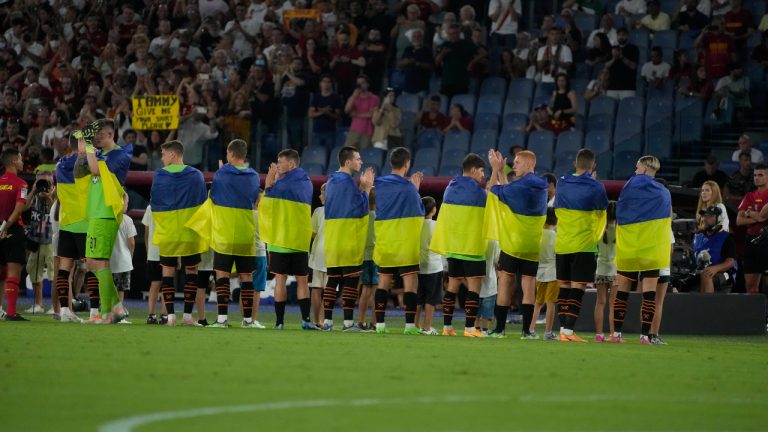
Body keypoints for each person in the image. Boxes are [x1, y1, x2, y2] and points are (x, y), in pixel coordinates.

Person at [485, 149, 548, 337]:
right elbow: (509, 196)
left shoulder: (518, 186)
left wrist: (496, 170)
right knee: (529, 286)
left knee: (505, 283)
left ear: (529, 164)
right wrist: (503, 172)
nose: (514, 165)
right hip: (532, 245)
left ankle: (499, 329)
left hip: (512, 244)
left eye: (518, 162)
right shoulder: (541, 185)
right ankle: (528, 332)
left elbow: (493, 190)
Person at [611, 156, 672, 344]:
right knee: (649, 294)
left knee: (622, 292)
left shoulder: (630, 185)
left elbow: (620, 209)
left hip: (630, 247)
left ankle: (616, 335)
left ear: (645, 169)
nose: (635, 170)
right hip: (651, 250)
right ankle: (645, 336)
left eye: (637, 167)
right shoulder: (664, 192)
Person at [74, 119, 130, 324]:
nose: (95, 138)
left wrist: (88, 146)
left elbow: (96, 171)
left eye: (98, 135)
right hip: (97, 212)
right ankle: (111, 311)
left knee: (93, 262)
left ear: (109, 135)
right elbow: (79, 173)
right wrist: (82, 151)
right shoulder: (99, 154)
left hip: (105, 213)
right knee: (97, 262)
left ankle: (112, 310)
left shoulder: (120, 155)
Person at [149, 140, 208, 326]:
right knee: (192, 271)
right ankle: (188, 317)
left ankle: (171, 317)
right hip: (190, 231)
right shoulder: (197, 175)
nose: (162, 157)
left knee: (167, 272)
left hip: (168, 231)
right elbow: (202, 203)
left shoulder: (159, 175)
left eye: (163, 153)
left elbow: (154, 203)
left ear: (173, 154)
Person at [204, 139, 261, 328]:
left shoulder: (221, 174)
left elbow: (214, 196)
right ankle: (247, 320)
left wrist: (222, 171)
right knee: (247, 277)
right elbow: (254, 199)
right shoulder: (253, 176)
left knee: (222, 275)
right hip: (245, 233)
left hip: (225, 233)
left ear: (231, 154)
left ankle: (222, 319)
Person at [554, 149, 608, 342]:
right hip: (584, 243)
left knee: (564, 286)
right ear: (593, 165)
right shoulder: (596, 187)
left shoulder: (561, 182)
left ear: (575, 162)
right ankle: (568, 332)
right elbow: (602, 212)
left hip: (562, 242)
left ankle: (563, 330)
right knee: (578, 287)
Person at [430, 154, 488, 337]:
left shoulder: (450, 188)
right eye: (481, 171)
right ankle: (470, 328)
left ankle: (447, 327)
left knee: (452, 286)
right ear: (473, 170)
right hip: (472, 246)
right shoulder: (477, 191)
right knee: (474, 288)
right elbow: (492, 197)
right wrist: (498, 171)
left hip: (453, 246)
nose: (483, 175)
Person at [260, 149, 315, 329]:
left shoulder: (280, 185)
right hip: (299, 239)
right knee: (302, 280)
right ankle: (306, 321)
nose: (277, 165)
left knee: (280, 280)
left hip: (280, 238)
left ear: (291, 164)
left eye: (280, 161)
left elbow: (267, 202)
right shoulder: (307, 182)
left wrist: (270, 182)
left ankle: (279, 323)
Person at [322, 146, 374, 332]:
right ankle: (348, 323)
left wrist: (360, 188)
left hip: (332, 236)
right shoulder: (347, 182)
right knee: (351, 280)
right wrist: (366, 190)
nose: (361, 162)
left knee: (333, 280)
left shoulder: (331, 180)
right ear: (348, 161)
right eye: (358, 158)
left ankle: (327, 322)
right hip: (348, 237)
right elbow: (359, 209)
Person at [372, 147, 424, 334]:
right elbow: (419, 212)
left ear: (390, 163)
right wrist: (416, 190)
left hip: (386, 240)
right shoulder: (409, 187)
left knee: (383, 283)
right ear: (407, 164)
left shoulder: (378, 184)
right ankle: (409, 326)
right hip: (405, 242)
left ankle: (379, 325)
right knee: (410, 283)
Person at [52, 135, 88, 323]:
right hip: (84, 222)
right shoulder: (87, 163)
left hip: (66, 223)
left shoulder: (59, 166)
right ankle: (96, 311)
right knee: (93, 269)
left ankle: (65, 310)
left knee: (64, 269)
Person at [0, 148, 28, 321]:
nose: (22, 161)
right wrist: (6, 226)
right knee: (13, 272)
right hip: (13, 231)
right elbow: (18, 210)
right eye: (20, 158)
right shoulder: (22, 184)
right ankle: (11, 312)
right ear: (13, 162)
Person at [23, 170, 55, 314]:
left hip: (52, 241)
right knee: (33, 271)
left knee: (55, 275)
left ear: (52, 182)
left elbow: (59, 214)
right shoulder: (34, 196)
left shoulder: (57, 194)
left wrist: (49, 197)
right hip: (35, 240)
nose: (43, 185)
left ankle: (56, 306)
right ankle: (38, 304)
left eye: (45, 182)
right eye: (39, 181)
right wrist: (33, 190)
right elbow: (23, 207)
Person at [736, 163, 768, 294]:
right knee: (750, 286)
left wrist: (749, 213)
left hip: (766, 241)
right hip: (750, 241)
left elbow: (763, 218)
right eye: (755, 175)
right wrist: (758, 217)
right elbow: (739, 220)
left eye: (760, 175)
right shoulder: (749, 196)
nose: (757, 178)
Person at [531, 207, 558, 340]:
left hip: (540, 271)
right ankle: (548, 332)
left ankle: (530, 329)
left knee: (538, 302)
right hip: (553, 272)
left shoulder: (538, 234)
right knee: (550, 302)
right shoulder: (555, 235)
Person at [694, 206, 736, 293]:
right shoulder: (697, 237)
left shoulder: (726, 237)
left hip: (724, 273)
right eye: (704, 216)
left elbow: (730, 262)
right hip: (699, 271)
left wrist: (715, 268)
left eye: (709, 216)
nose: (705, 219)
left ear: (719, 219)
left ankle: (707, 305)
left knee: (706, 274)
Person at [416, 196, 442, 335]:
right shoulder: (437, 226)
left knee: (419, 298)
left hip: (419, 266)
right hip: (434, 266)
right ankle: (427, 327)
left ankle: (414, 325)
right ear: (433, 210)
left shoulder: (416, 225)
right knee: (431, 299)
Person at [110, 193, 135, 323]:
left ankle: (109, 313)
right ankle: (119, 315)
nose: (127, 205)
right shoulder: (127, 220)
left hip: (109, 261)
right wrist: (131, 256)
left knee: (111, 288)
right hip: (124, 261)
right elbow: (132, 243)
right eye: (126, 203)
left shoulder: (109, 218)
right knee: (121, 289)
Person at [594, 201, 617, 342]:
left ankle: (599, 334)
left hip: (600, 268)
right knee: (613, 304)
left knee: (600, 302)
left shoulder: (600, 229)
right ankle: (613, 334)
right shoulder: (620, 230)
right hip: (615, 270)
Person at [344, 75, 380, 149]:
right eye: (358, 83)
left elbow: (370, 114)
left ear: (368, 84)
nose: (360, 85)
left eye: (363, 83)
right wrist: (353, 96)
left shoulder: (374, 98)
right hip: (354, 130)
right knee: (347, 154)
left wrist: (356, 114)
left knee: (364, 156)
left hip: (367, 131)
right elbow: (347, 110)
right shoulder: (354, 97)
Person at [309, 183, 327, 328]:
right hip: (333, 254)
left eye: (322, 193)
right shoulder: (339, 211)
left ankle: (316, 321)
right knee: (329, 289)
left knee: (316, 288)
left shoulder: (318, 211)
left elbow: (312, 234)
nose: (319, 196)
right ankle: (324, 321)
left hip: (318, 254)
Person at [141, 204, 163, 324]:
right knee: (167, 284)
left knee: (155, 284)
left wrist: (148, 251)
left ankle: (151, 315)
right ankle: (166, 315)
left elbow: (146, 232)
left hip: (154, 252)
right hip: (168, 251)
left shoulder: (150, 207)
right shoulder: (171, 204)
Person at [308, 74, 342, 148]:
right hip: (317, 131)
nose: (326, 84)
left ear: (331, 84)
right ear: (320, 84)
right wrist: (322, 112)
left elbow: (338, 117)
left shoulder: (336, 98)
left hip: (330, 131)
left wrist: (328, 113)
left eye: (328, 82)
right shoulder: (316, 97)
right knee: (317, 154)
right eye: (324, 81)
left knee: (329, 153)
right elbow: (310, 114)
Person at [606, 28, 640, 100]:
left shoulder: (633, 48)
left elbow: (633, 66)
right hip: (612, 87)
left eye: (623, 35)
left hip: (628, 87)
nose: (621, 37)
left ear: (627, 36)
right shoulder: (612, 49)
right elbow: (606, 66)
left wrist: (622, 57)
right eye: (619, 35)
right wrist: (614, 58)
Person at [477, 240, 501, 336]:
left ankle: (475, 329)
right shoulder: (495, 241)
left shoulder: (477, 237)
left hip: (475, 280)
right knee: (487, 310)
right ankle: (485, 330)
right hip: (490, 281)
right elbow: (497, 260)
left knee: (475, 308)